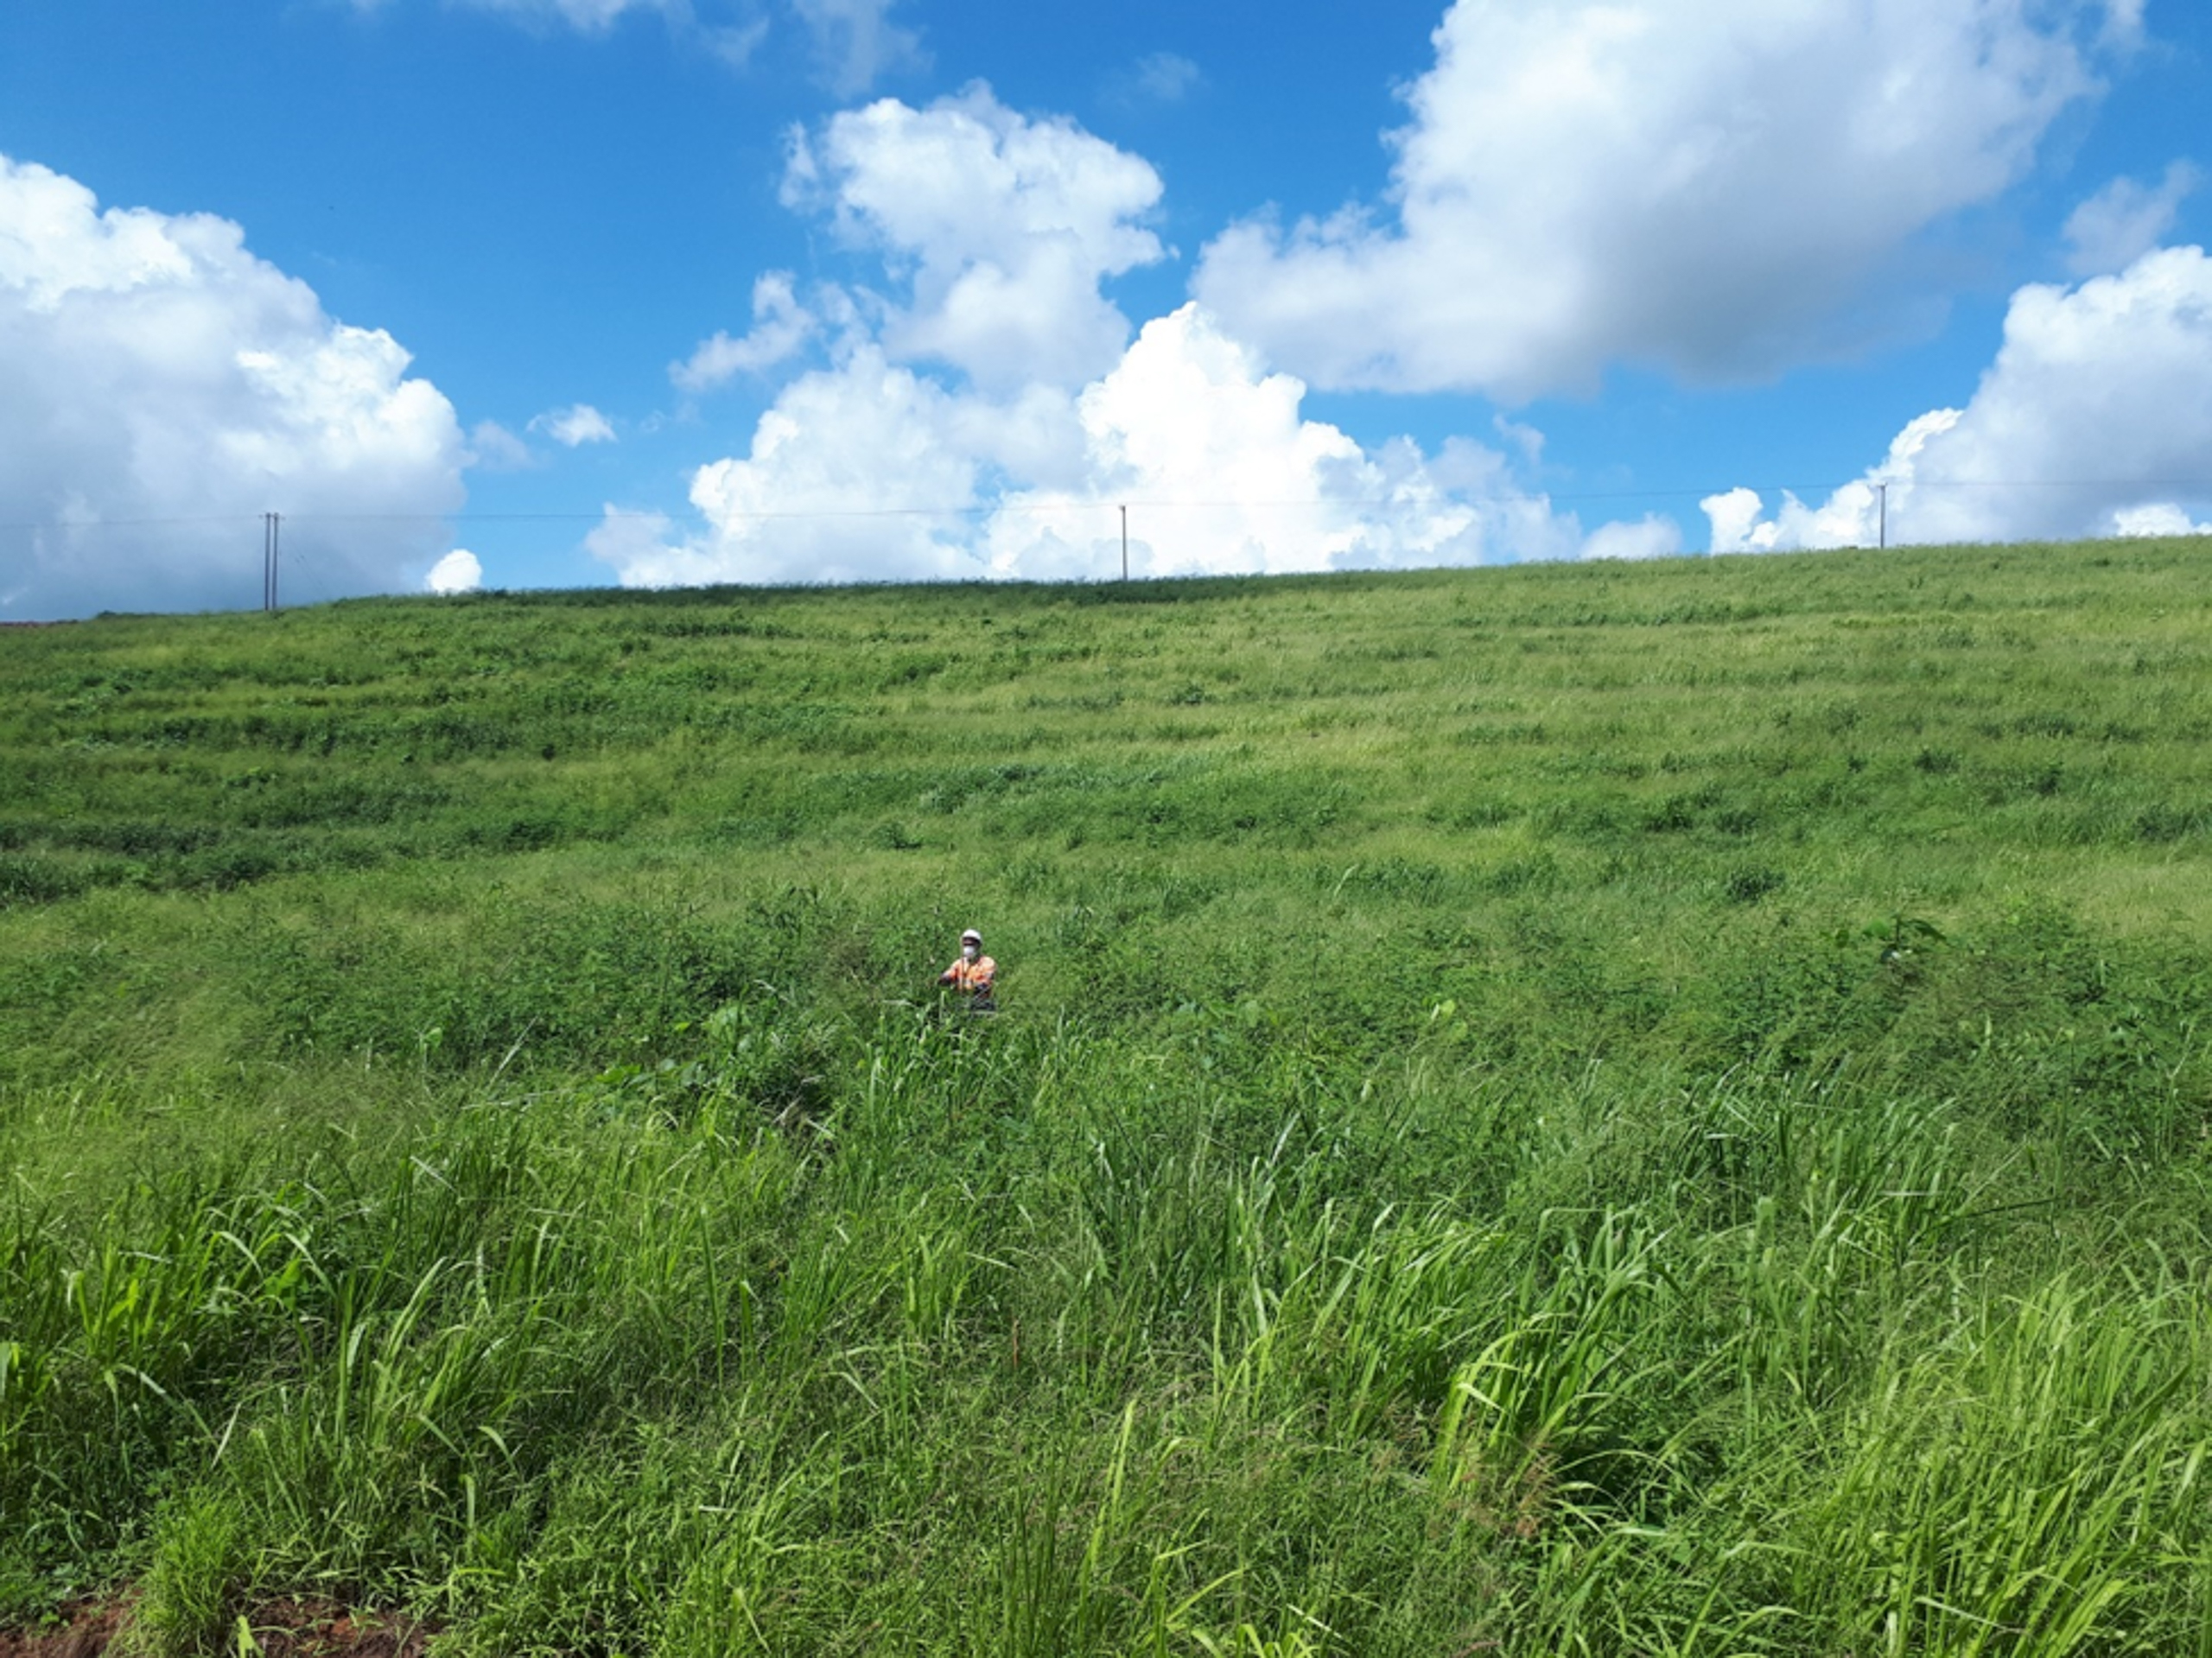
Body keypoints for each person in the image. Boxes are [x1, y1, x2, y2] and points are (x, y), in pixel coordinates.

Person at [938, 928, 997, 1012]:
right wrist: (944, 979)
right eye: (966, 945)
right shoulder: (959, 963)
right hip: (961, 1001)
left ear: (978, 946)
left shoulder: (987, 963)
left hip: (981, 1002)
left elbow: (984, 985)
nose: (968, 948)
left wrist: (967, 987)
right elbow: (949, 974)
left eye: (971, 945)